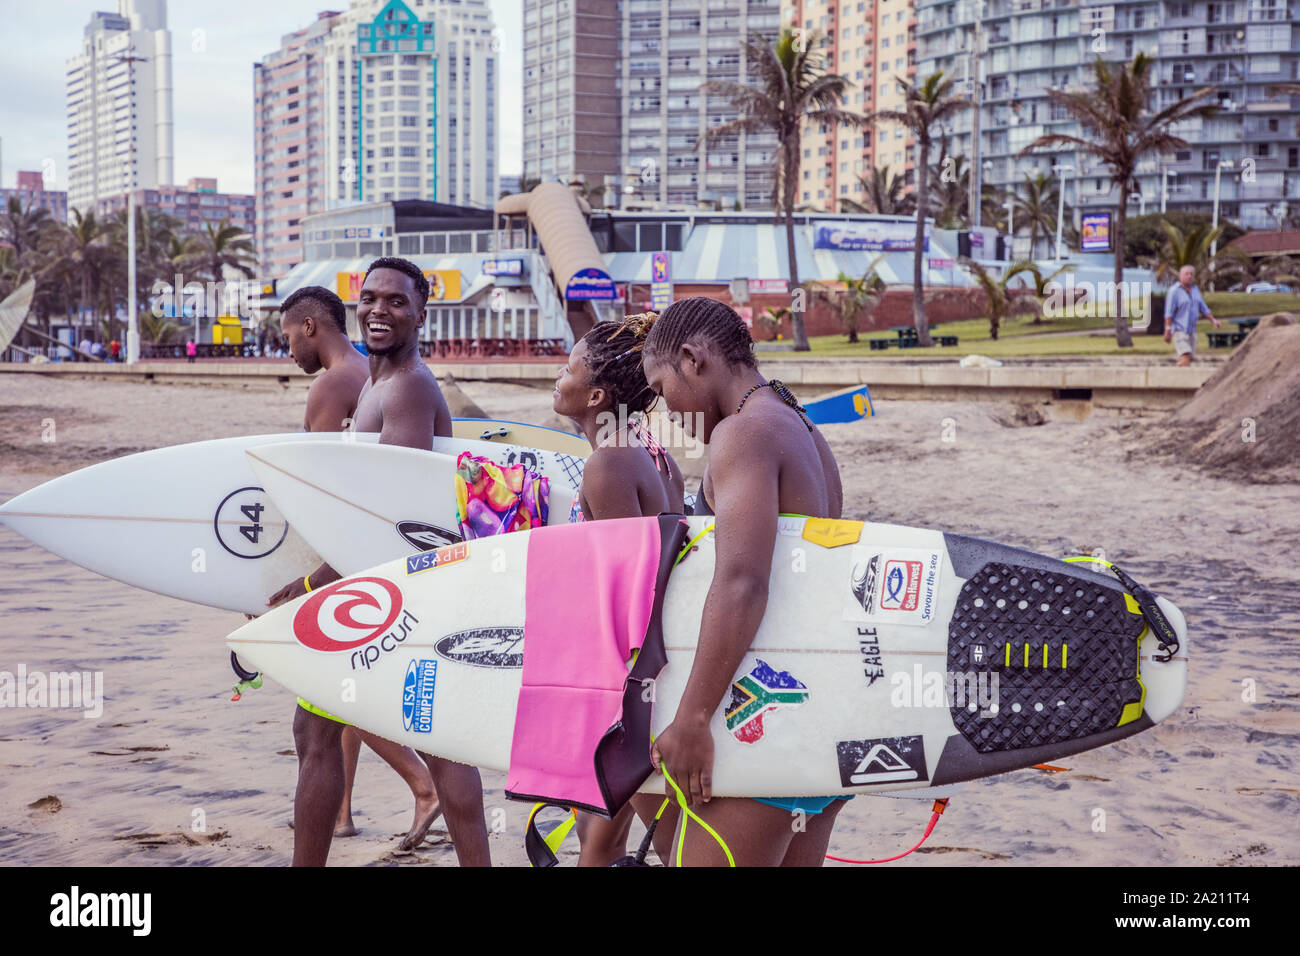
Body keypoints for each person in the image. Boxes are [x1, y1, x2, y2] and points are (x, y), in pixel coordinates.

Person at [268, 259, 491, 867]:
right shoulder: (374, 382)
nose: (377, 310)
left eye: (396, 301)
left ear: (422, 313)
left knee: (441, 746)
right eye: (369, 298)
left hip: (405, 595)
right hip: (376, 588)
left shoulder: (409, 386)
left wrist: (312, 585)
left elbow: (394, 520)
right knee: (319, 734)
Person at [637, 296, 845, 867]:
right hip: (815, 713)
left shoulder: (743, 433)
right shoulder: (800, 425)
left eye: (661, 389)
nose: (667, 410)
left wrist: (694, 716)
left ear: (692, 358)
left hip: (761, 716)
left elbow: (742, 583)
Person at [551, 314, 685, 866]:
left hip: (631, 675)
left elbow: (623, 591)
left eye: (567, 367)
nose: (557, 377)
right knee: (600, 828)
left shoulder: (607, 465)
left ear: (596, 394)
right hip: (663, 656)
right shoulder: (652, 451)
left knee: (664, 834)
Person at [1164, 265, 1222, 366]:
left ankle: (1179, 374)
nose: (1189, 276)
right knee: (1186, 355)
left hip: (1191, 330)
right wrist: (1168, 329)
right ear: (1180, 276)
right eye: (1186, 274)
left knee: (1189, 358)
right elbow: (1169, 312)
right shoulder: (1174, 291)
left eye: (1191, 274)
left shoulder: (1195, 290)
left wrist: (1213, 321)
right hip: (1179, 330)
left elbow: (1203, 308)